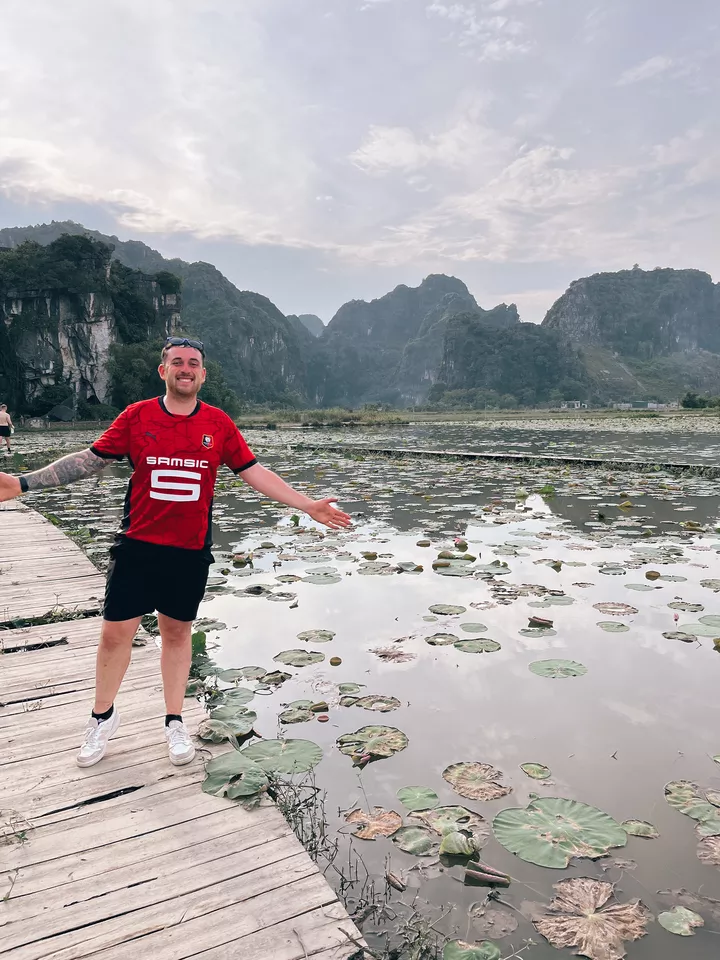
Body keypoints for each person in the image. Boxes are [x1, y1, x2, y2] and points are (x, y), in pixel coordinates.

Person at [0, 337, 351, 767]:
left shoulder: (218, 424)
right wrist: (23, 483)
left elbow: (254, 471)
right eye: (177, 362)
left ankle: (173, 720)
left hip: (188, 551)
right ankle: (102, 717)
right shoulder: (137, 416)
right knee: (114, 635)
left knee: (177, 634)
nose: (186, 369)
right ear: (163, 370)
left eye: (194, 364)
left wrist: (305, 503)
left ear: (202, 375)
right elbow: (90, 460)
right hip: (137, 547)